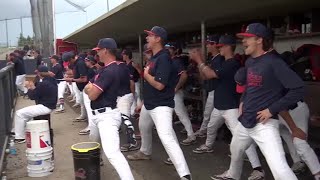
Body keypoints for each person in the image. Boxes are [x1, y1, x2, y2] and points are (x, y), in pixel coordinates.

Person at [211, 23, 304, 180]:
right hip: (246, 120)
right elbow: (249, 87)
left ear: (259, 40)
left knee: (279, 168)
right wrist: (242, 102)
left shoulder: (274, 62)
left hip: (264, 124)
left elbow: (298, 89)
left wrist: (272, 110)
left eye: (247, 38)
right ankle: (233, 174)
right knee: (235, 149)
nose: (244, 42)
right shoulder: (250, 62)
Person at [190, 35, 264, 180]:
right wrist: (201, 64)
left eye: (221, 46)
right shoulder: (223, 62)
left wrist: (199, 60)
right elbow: (207, 76)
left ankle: (258, 169)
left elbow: (210, 73)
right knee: (211, 127)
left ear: (228, 46)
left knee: (240, 138)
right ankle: (208, 145)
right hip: (220, 105)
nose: (219, 48)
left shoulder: (232, 63)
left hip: (231, 107)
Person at [127, 26, 192, 180]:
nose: (147, 38)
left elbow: (159, 85)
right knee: (143, 127)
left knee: (166, 137)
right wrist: (142, 101)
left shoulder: (163, 57)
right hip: (149, 103)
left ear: (158, 39)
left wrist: (146, 74)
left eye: (150, 36)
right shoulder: (155, 57)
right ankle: (145, 151)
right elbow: (150, 85)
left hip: (161, 105)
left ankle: (185, 174)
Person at [85, 38, 134, 180]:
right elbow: (89, 86)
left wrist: (89, 89)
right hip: (98, 115)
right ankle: (94, 167)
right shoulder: (107, 69)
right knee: (93, 144)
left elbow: (92, 94)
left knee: (113, 153)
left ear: (105, 50)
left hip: (107, 116)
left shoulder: (111, 70)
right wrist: (90, 88)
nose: (97, 53)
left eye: (99, 50)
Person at [14, 65, 57, 143]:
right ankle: (22, 132)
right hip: (49, 105)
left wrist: (28, 88)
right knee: (25, 115)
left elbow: (32, 97)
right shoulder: (52, 80)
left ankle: (20, 137)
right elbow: (40, 91)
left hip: (45, 107)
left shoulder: (43, 83)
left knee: (19, 113)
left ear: (39, 73)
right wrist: (33, 88)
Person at [165, 42, 196, 145]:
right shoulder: (169, 61)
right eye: (166, 48)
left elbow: (184, 75)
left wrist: (176, 88)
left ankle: (191, 135)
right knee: (167, 113)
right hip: (169, 92)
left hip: (175, 93)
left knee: (181, 114)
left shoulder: (176, 61)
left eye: (170, 48)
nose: (167, 50)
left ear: (175, 50)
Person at [195, 35, 224, 138]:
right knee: (209, 114)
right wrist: (200, 63)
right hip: (213, 90)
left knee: (210, 115)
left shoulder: (219, 59)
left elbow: (208, 76)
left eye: (210, 43)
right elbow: (204, 77)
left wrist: (200, 61)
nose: (207, 46)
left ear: (216, 45)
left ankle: (205, 132)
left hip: (217, 90)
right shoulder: (213, 58)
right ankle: (204, 131)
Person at [63, 52, 89, 121]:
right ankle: (83, 115)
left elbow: (84, 79)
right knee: (82, 103)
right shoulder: (76, 63)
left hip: (85, 87)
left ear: (72, 58)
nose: (68, 63)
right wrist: (71, 77)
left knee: (88, 106)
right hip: (81, 87)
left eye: (69, 61)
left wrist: (71, 79)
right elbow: (77, 75)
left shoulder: (80, 63)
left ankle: (90, 124)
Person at [79, 55, 97, 135]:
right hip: (92, 90)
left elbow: (87, 80)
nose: (85, 62)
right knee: (91, 109)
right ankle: (92, 126)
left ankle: (91, 127)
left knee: (90, 110)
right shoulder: (94, 69)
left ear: (90, 61)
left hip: (89, 90)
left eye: (87, 61)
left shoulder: (91, 70)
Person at [122, 49, 142, 116]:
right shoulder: (125, 65)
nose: (122, 56)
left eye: (124, 54)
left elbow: (139, 73)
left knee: (137, 98)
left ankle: (139, 113)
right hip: (129, 84)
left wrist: (137, 68)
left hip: (135, 83)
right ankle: (135, 114)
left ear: (127, 55)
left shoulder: (132, 64)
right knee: (132, 99)